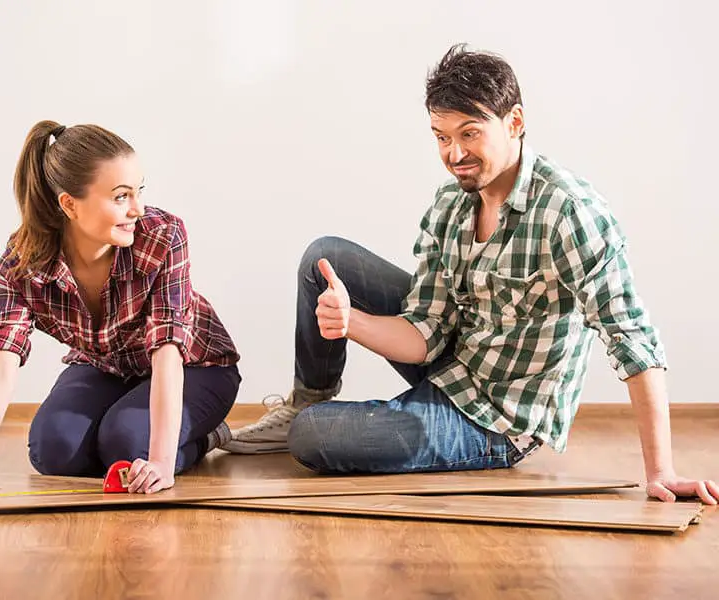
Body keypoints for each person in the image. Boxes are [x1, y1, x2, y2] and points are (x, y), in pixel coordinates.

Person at [223, 44, 719, 505]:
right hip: (451, 362)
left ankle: (345, 420)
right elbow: (425, 333)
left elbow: (631, 336)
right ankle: (307, 399)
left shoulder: (569, 213)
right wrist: (352, 323)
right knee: (323, 256)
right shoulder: (450, 203)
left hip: (496, 420)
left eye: (469, 134)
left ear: (515, 122)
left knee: (312, 436)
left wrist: (661, 471)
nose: (454, 154)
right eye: (442, 137)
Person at [0, 120, 240, 498]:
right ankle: (127, 431)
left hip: (195, 367)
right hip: (107, 366)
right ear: (69, 204)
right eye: (121, 196)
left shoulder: (163, 236)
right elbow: (0, 362)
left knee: (128, 448)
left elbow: (167, 352)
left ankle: (204, 438)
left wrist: (160, 463)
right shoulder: (23, 261)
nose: (137, 208)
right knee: (54, 450)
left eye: (140, 191)